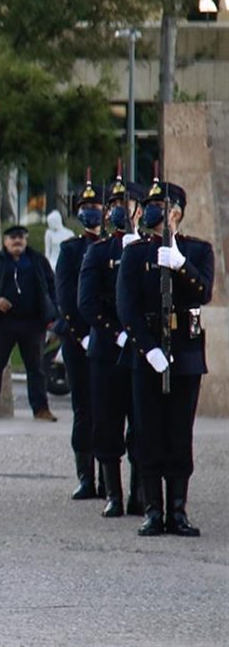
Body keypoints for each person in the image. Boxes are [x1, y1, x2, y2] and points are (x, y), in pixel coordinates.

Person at [117, 177, 213, 537]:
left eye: (163, 206)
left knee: (179, 434)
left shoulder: (198, 251)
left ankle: (178, 510)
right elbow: (126, 307)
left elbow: (203, 292)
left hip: (186, 354)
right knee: (148, 433)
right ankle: (153, 511)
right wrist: (149, 348)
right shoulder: (136, 252)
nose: (154, 212)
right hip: (149, 354)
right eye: (151, 206)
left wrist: (179, 264)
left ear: (177, 213)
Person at [79, 176, 146, 517]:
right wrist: (115, 334)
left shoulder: (150, 249)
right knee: (107, 424)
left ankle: (139, 494)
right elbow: (87, 302)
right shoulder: (99, 251)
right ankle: (113, 494)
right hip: (108, 350)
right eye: (114, 206)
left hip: (142, 352)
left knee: (141, 424)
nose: (119, 211)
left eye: (125, 205)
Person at [0, 225, 59, 421]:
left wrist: (53, 315)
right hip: (2, 323)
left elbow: (52, 288)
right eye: (13, 238)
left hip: (32, 323)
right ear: (5, 241)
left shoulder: (37, 260)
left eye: (20, 238)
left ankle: (40, 409)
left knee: (36, 368)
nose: (17, 242)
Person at [55, 176, 104, 499]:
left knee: (109, 408)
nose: (91, 212)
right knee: (84, 408)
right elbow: (65, 297)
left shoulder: (114, 246)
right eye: (85, 207)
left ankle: (109, 476)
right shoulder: (70, 249)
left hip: (108, 337)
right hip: (79, 339)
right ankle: (86, 476)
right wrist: (81, 334)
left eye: (95, 206)